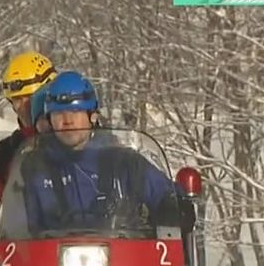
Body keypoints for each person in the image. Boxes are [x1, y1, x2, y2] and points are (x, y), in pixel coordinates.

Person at [18, 71, 177, 235]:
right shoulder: (36, 168)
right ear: (49, 119)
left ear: (92, 116)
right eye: (58, 114)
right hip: (51, 257)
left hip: (124, 254)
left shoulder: (123, 161)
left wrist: (173, 207)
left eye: (75, 112)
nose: (67, 121)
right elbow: (18, 225)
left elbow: (163, 192)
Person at [0, 51, 57, 201]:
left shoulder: (77, 136)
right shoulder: (8, 152)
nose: (23, 106)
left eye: (30, 98)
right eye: (16, 100)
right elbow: (9, 206)